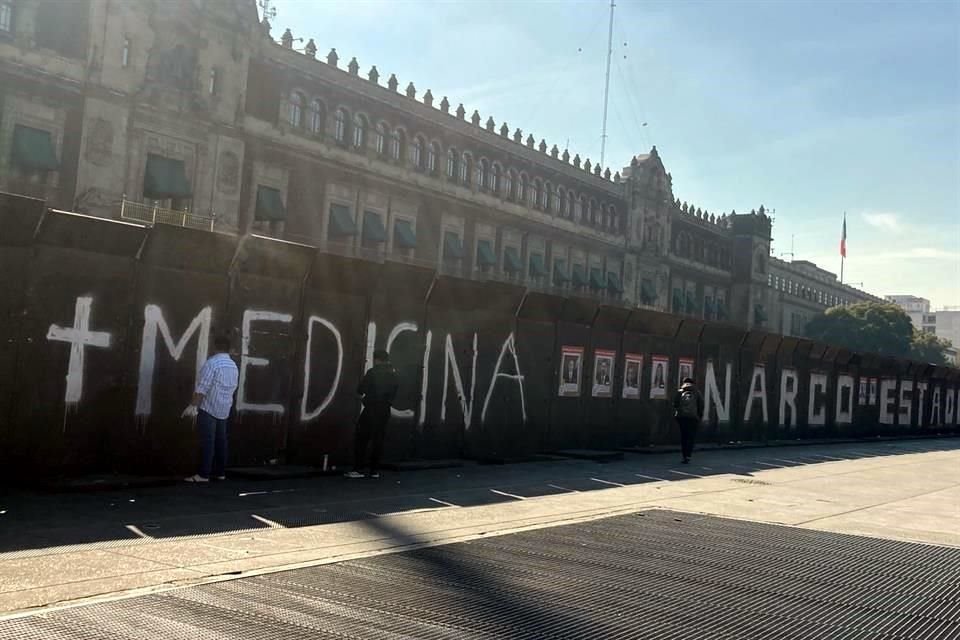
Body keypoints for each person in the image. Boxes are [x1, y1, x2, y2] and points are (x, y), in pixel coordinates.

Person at [183, 334, 239, 483]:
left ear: (215, 347)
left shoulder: (212, 363)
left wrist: (193, 405)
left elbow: (202, 387)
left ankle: (203, 474)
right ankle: (220, 473)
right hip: (224, 408)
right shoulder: (233, 365)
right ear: (228, 348)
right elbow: (233, 387)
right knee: (221, 441)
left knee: (207, 442)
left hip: (208, 408)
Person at [345, 349, 399, 479]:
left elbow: (360, 390)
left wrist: (364, 400)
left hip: (370, 410)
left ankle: (358, 469)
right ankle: (374, 470)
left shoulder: (372, 372)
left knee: (361, 438)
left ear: (376, 359)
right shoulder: (394, 375)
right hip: (385, 411)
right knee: (378, 440)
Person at [672, 377, 704, 464]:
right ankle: (688, 455)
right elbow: (701, 405)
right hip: (693, 418)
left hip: (682, 417)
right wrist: (699, 416)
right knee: (691, 436)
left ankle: (684, 455)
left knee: (684, 436)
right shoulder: (697, 392)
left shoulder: (680, 392)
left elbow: (675, 404)